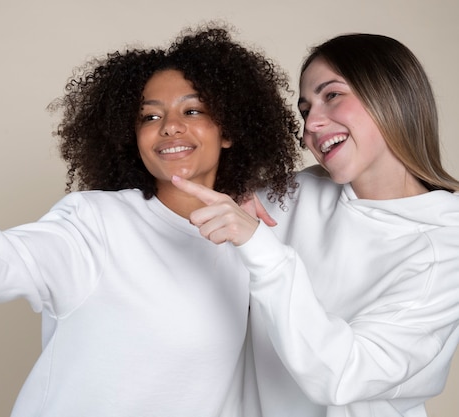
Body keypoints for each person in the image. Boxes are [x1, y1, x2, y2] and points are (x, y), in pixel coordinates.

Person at [0, 25, 301, 416]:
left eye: (192, 111)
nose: (170, 127)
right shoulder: (96, 222)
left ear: (228, 131)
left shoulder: (254, 235)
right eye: (150, 116)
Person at [172, 33, 459, 416]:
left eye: (333, 96)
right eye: (305, 110)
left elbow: (342, 376)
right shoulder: (295, 193)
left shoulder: (445, 247)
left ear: (391, 96)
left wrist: (263, 250)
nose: (312, 125)